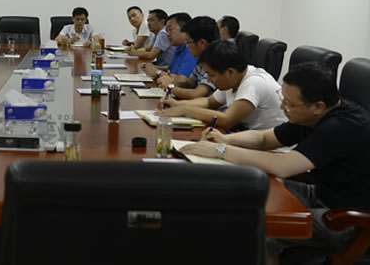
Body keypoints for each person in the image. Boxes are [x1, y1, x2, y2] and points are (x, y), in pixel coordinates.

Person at [180, 62, 370, 263]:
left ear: (318, 107)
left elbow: (283, 166)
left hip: (346, 221)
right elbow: (264, 139)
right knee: (248, 188)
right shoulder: (313, 114)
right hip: (322, 194)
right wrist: (225, 139)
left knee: (253, 224)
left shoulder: (341, 126)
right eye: (283, 100)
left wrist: (221, 151)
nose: (282, 108)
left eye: (289, 104)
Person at [157, 39, 285, 130]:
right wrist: (177, 104)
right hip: (246, 138)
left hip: (273, 151)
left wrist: (186, 110)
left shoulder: (254, 83)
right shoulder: (234, 78)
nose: (208, 79)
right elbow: (209, 102)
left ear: (230, 72)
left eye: (211, 75)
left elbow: (227, 120)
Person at [156, 16, 218, 99]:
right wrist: (172, 82)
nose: (187, 46)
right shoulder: (202, 59)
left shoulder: (215, 61)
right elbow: (190, 83)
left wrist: (170, 87)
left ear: (202, 43)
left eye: (189, 42)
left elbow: (196, 94)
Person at [142, 12, 196, 79]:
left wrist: (158, 72)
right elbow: (170, 68)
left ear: (185, 30)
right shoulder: (178, 47)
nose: (167, 34)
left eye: (170, 30)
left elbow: (182, 79)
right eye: (167, 31)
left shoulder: (191, 50)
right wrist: (153, 67)